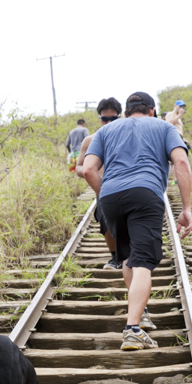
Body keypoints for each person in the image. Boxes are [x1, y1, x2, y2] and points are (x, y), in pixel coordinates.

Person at [79, 91, 192, 351]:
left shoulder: (106, 132)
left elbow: (87, 169)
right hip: (145, 194)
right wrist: (186, 208)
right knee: (143, 261)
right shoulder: (164, 127)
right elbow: (181, 163)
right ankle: (132, 329)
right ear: (152, 110)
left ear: (126, 112)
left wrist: (105, 193)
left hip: (110, 197)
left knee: (129, 257)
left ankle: (139, 313)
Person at [76, 97, 122, 269]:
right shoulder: (91, 140)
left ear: (121, 116)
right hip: (102, 186)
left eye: (113, 118)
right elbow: (79, 167)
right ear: (99, 118)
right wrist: (91, 172)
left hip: (126, 183)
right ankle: (115, 257)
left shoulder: (127, 135)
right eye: (105, 119)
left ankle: (133, 255)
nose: (109, 122)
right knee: (106, 220)